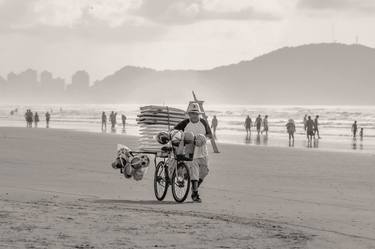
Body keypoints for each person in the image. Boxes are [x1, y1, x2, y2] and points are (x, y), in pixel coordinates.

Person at [174, 102, 212, 203]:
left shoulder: (203, 122)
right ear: (189, 114)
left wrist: (203, 139)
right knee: (194, 172)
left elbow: (210, 134)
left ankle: (194, 185)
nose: (194, 115)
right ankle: (195, 193)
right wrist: (181, 137)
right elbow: (175, 131)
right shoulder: (185, 123)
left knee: (205, 171)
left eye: (196, 113)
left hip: (203, 151)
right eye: (192, 113)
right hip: (191, 151)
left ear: (199, 114)